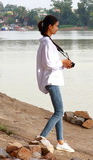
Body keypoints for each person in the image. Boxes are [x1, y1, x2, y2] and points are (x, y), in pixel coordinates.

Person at [35, 15, 75, 153]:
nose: (57, 28)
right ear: (50, 26)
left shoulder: (47, 42)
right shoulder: (46, 43)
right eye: (56, 26)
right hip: (51, 80)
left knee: (58, 111)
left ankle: (60, 141)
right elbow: (48, 64)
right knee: (59, 112)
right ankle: (41, 138)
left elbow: (51, 64)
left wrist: (64, 65)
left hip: (52, 79)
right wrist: (62, 62)